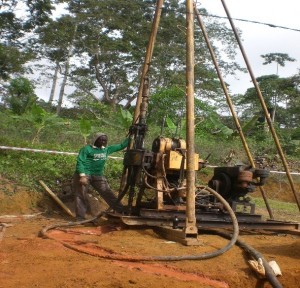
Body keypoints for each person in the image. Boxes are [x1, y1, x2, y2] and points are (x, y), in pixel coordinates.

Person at [73, 132, 129, 220]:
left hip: (98, 175)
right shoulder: (87, 149)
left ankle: (121, 211)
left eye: (105, 140)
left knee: (107, 192)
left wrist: (131, 137)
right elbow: (80, 162)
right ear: (95, 140)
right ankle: (80, 217)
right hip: (85, 174)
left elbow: (121, 145)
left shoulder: (106, 149)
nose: (103, 142)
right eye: (101, 139)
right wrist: (82, 176)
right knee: (81, 195)